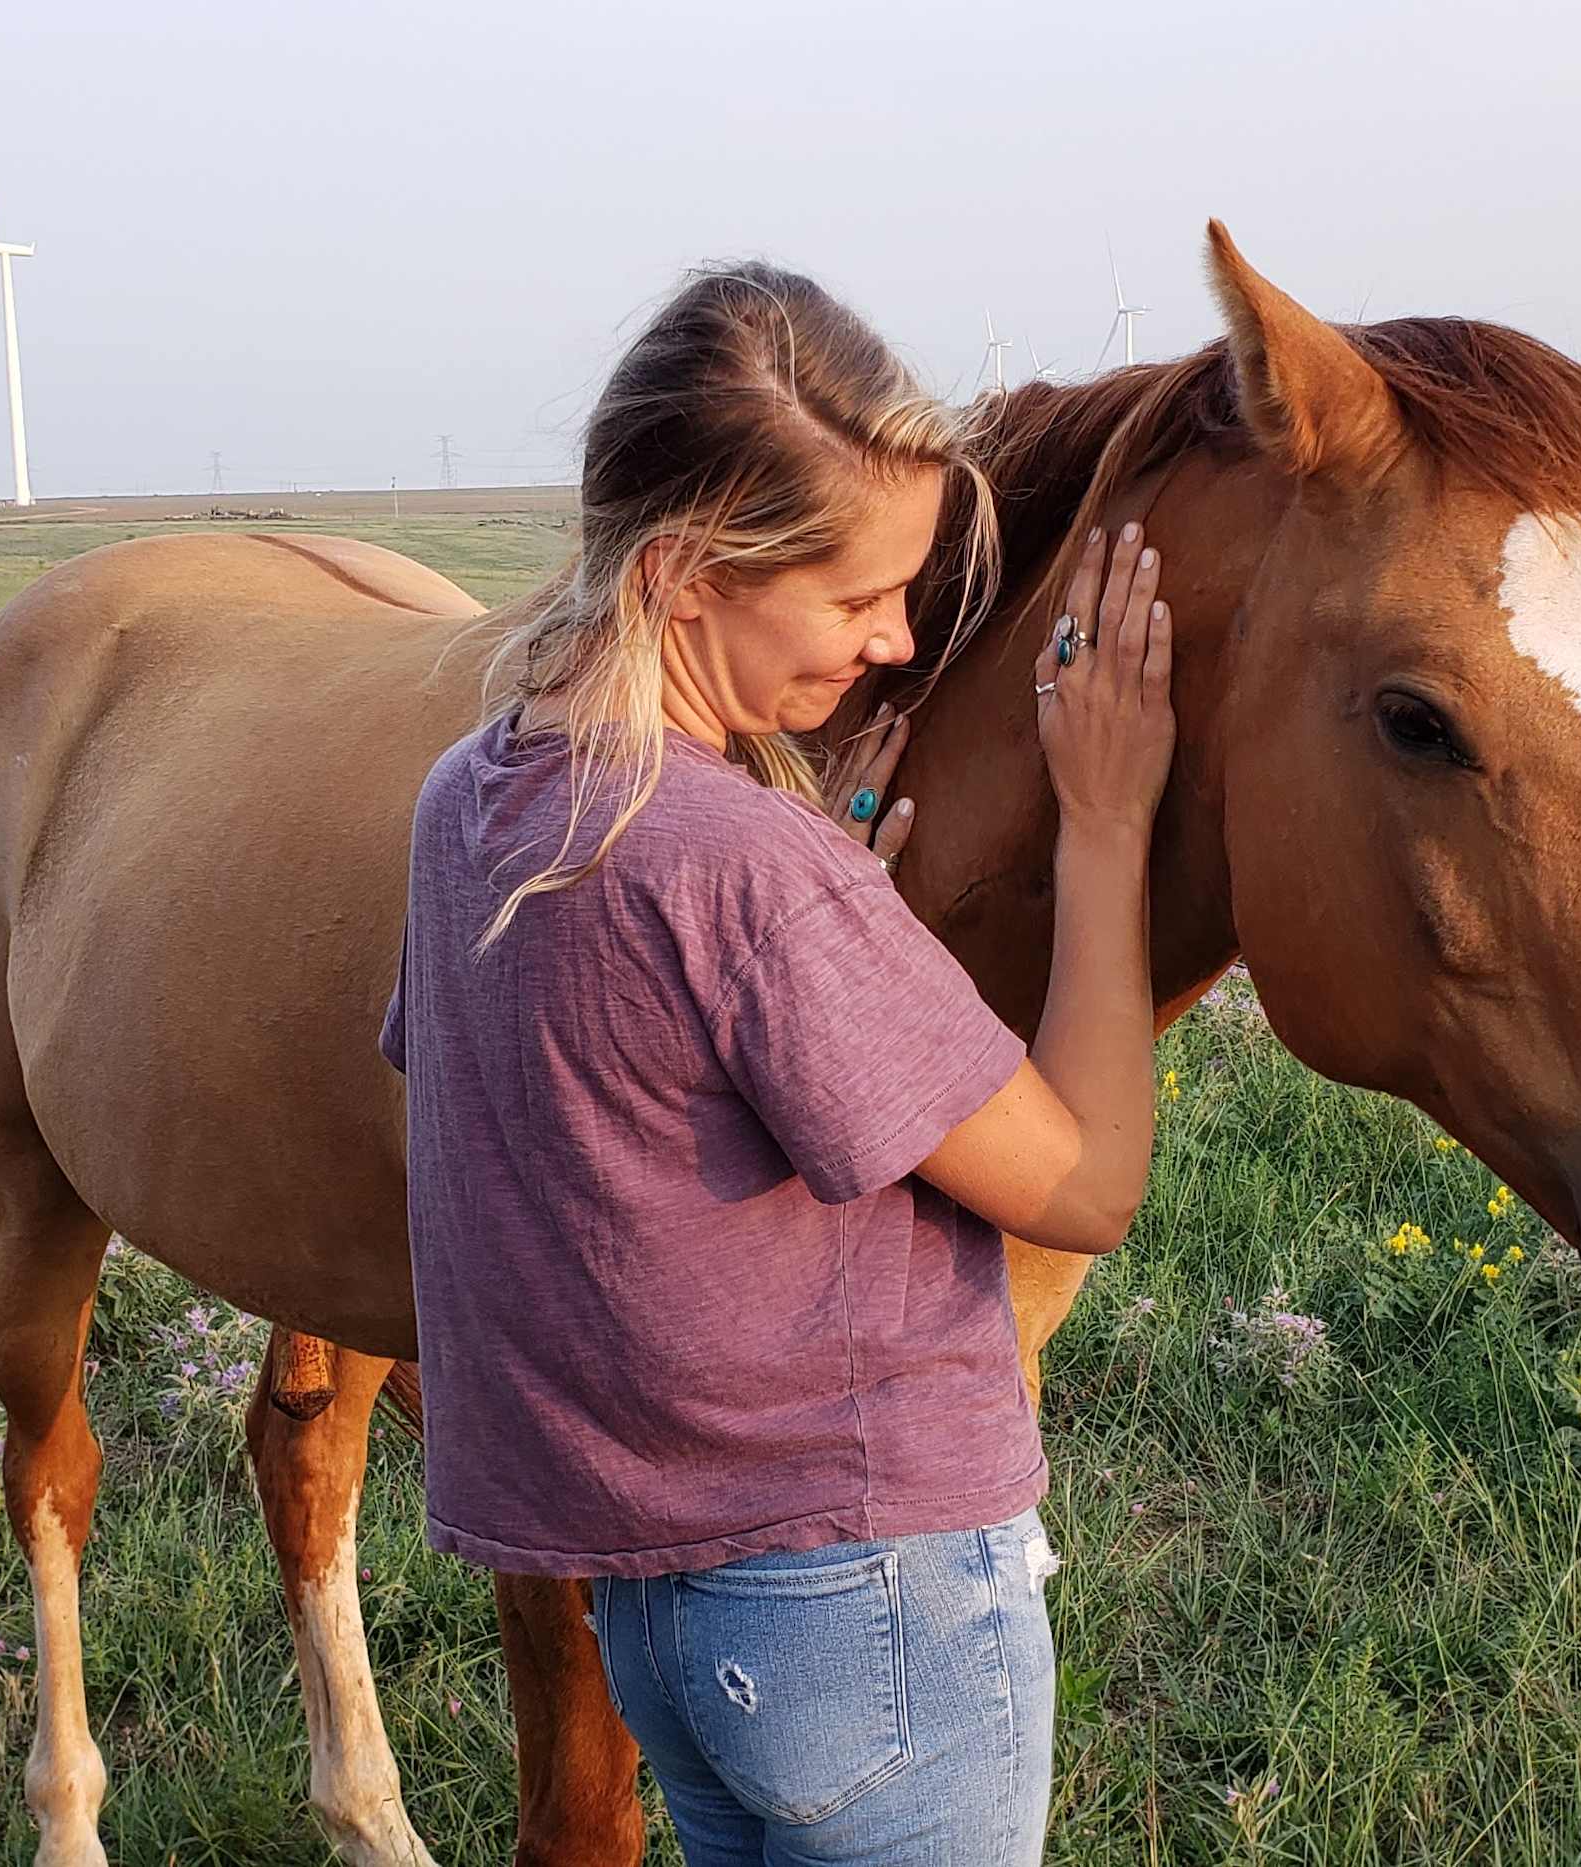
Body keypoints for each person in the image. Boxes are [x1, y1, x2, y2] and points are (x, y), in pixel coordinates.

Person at [376, 259, 1176, 1864]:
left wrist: (827, 892)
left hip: (659, 1617)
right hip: (864, 1604)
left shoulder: (474, 798)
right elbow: (1085, 1186)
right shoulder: (747, 869)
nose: (891, 644)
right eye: (856, 595)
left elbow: (618, 1109)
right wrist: (1106, 823)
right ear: (684, 573)